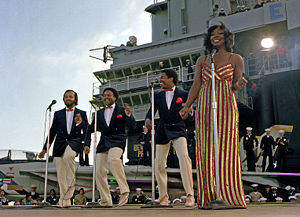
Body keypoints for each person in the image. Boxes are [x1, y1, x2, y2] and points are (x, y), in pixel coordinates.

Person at [180, 22, 247, 208]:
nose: (215, 36)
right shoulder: (203, 60)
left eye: (219, 33)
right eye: (212, 34)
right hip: (204, 106)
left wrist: (238, 86)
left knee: (226, 148)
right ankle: (209, 195)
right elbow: (196, 85)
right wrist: (187, 106)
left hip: (226, 105)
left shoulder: (236, 58)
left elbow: (234, 85)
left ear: (226, 36)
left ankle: (228, 194)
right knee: (206, 148)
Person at [145, 69, 194, 207]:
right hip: (162, 130)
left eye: (162, 77)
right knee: (159, 164)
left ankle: (190, 195)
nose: (160, 79)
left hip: (178, 129)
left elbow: (191, 116)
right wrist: (147, 120)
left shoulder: (184, 95)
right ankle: (163, 198)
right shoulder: (157, 95)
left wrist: (188, 115)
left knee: (184, 159)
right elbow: (150, 113)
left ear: (171, 79)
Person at [85, 87, 136, 207]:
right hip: (103, 142)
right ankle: (105, 199)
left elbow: (132, 126)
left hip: (118, 140)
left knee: (113, 160)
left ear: (115, 97)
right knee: (98, 172)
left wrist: (129, 115)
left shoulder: (122, 110)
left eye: (109, 95)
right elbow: (89, 130)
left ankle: (124, 190)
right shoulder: (99, 113)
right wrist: (86, 144)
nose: (106, 97)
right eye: (105, 95)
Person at [38, 90, 89, 207]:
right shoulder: (57, 114)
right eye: (66, 97)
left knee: (68, 156)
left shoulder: (82, 113)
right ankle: (64, 200)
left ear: (75, 99)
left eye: (70, 96)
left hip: (74, 142)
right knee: (61, 174)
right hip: (59, 144)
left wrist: (87, 144)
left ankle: (71, 188)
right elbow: (52, 131)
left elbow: (86, 131)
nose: (68, 98)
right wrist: (45, 148)